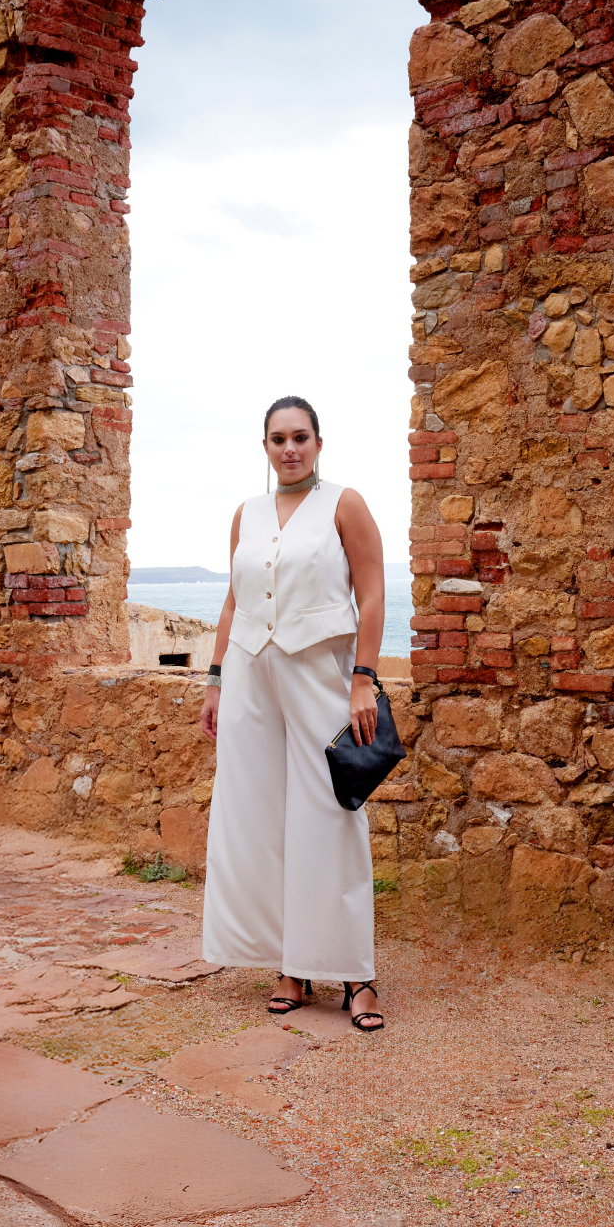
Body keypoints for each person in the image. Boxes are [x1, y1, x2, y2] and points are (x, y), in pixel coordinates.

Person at [199, 397, 386, 1032]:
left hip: (319, 677)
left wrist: (363, 679)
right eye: (278, 439)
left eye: (300, 437)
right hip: (250, 677)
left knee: (332, 816)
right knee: (259, 819)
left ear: (318, 442)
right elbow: (234, 602)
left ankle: (356, 974)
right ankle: (292, 965)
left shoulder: (344, 504)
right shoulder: (246, 514)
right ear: (265, 447)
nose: (290, 449)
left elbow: (372, 594)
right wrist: (216, 679)